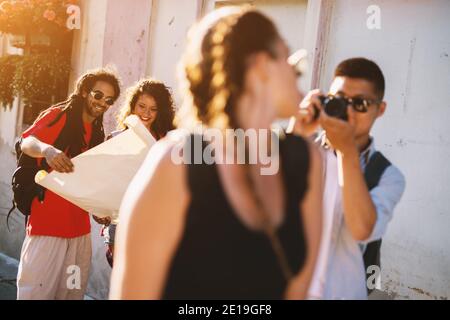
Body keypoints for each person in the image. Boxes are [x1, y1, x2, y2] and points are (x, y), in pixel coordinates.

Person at [110, 7, 322, 300]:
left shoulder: (305, 161)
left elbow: (297, 292)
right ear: (261, 65)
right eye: (289, 59)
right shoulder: (180, 161)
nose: (297, 72)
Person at [292, 58, 406, 299]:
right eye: (340, 101)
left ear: (380, 109)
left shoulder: (387, 175)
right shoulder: (303, 148)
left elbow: (362, 230)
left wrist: (346, 152)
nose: (349, 111)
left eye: (361, 104)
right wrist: (295, 135)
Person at [16, 68, 121, 300]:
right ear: (85, 92)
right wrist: (47, 149)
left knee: (71, 294)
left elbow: (88, 183)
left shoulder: (96, 133)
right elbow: (26, 142)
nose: (103, 102)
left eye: (109, 100)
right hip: (47, 230)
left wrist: (98, 210)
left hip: (79, 235)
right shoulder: (59, 115)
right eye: (98, 95)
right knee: (35, 293)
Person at [93, 78, 176, 267]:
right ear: (132, 106)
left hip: (157, 227)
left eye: (153, 109)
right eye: (142, 106)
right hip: (121, 226)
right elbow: (103, 183)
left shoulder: (169, 141)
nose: (146, 113)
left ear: (161, 111)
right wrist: (99, 210)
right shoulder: (115, 140)